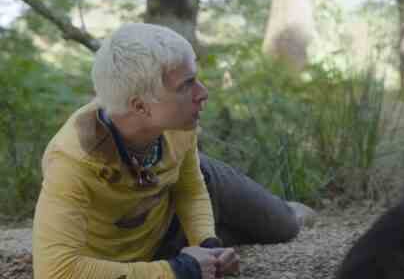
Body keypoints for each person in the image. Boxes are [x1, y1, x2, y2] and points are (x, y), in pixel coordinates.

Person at [32, 23, 302, 278]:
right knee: (235, 236)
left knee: (285, 226)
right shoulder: (72, 161)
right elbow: (56, 271)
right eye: (186, 85)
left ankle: (291, 211)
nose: (203, 92)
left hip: (174, 206)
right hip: (144, 247)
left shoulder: (178, 124)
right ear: (140, 107)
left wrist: (207, 244)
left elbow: (191, 188)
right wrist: (180, 270)